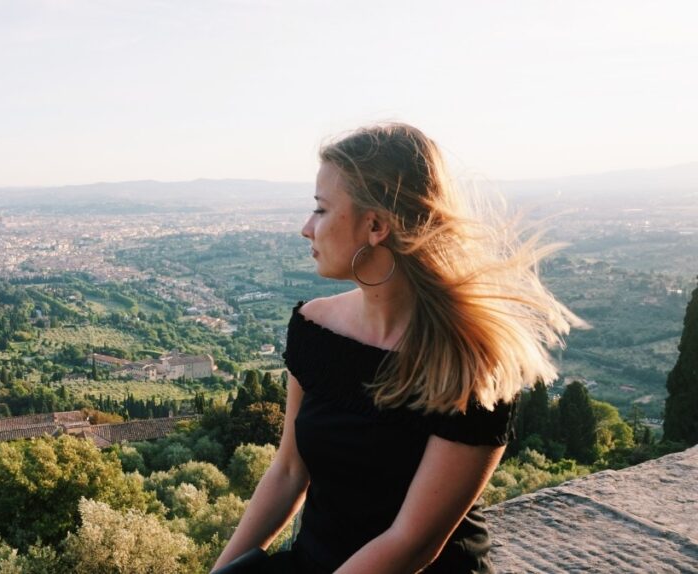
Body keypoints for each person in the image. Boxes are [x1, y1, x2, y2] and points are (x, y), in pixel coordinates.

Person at [211, 123, 581, 573]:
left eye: (321, 209)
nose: (307, 228)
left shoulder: (469, 362)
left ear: (376, 226)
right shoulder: (314, 328)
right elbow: (288, 472)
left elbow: (411, 543)